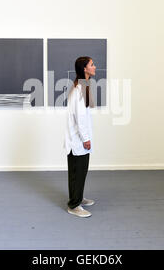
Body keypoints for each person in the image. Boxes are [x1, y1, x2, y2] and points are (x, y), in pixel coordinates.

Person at [64, 56, 96, 218]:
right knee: (77, 171)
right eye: (92, 65)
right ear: (85, 69)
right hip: (77, 140)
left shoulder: (83, 85)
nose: (95, 67)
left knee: (80, 172)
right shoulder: (78, 88)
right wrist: (86, 138)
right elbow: (80, 117)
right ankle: (74, 205)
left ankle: (78, 197)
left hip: (79, 138)